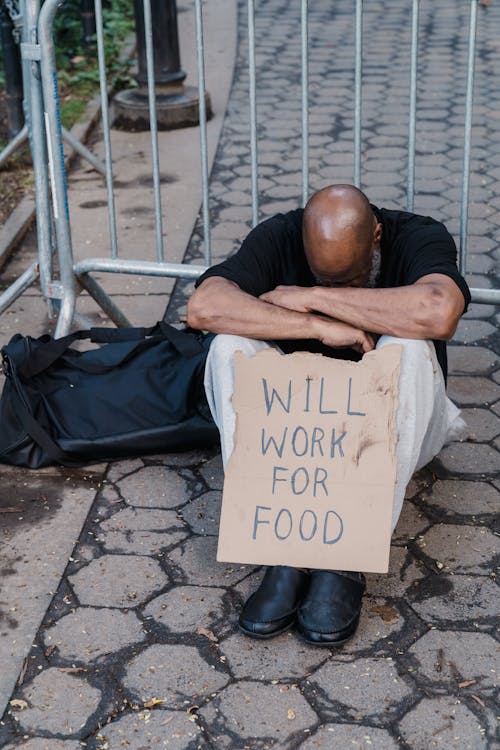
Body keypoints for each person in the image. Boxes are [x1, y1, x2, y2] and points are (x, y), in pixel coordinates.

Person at [186, 184, 470, 647]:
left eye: (350, 278)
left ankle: (345, 554)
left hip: (402, 426)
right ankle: (282, 543)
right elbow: (204, 306)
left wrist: (313, 295)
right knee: (227, 344)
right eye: (324, 278)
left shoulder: (417, 234)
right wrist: (317, 324)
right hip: (299, 433)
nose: (338, 288)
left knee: (412, 347)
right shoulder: (281, 233)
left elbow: (437, 312)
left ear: (376, 235)